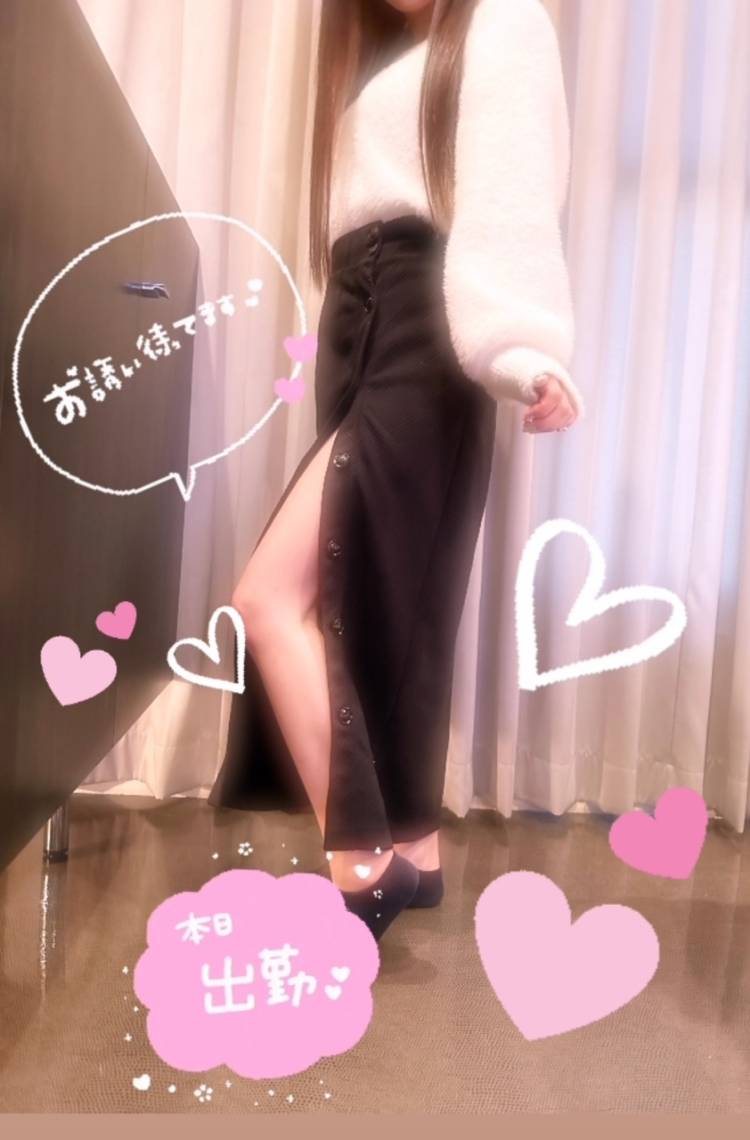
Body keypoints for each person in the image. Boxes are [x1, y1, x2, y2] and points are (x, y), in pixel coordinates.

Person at [208, 0, 585, 941]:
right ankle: (414, 845)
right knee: (374, 588)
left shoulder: (503, 25)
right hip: (361, 325)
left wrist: (523, 351)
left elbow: (510, 202)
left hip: (425, 326)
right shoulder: (383, 60)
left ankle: (363, 859)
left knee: (271, 596)